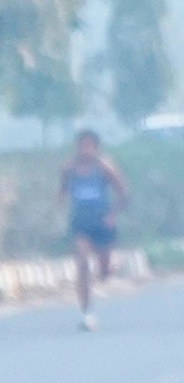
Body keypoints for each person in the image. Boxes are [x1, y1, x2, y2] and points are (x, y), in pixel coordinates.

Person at [62, 129, 128, 328]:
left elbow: (123, 193)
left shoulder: (106, 167)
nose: (86, 150)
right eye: (82, 146)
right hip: (81, 222)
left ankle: (108, 268)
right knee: (82, 263)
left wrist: (113, 215)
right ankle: (87, 313)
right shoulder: (69, 168)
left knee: (104, 271)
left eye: (90, 146)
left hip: (102, 221)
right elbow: (62, 191)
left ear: (96, 147)